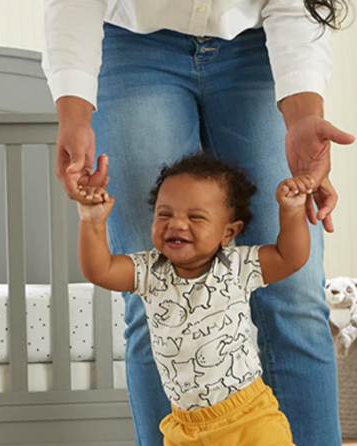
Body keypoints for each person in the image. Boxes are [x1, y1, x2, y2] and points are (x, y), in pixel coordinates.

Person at [41, 1, 356, 445]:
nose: (176, 223)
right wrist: (74, 115)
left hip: (259, 44)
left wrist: (304, 116)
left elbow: (289, 256)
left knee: (296, 295)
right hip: (133, 46)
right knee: (151, 300)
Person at [77, 153, 311, 445]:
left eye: (195, 217)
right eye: (164, 214)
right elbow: (100, 270)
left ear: (229, 232)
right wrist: (92, 221)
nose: (176, 224)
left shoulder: (237, 266)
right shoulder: (149, 270)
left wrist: (292, 212)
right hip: (184, 426)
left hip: (248, 419)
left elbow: (291, 257)